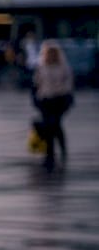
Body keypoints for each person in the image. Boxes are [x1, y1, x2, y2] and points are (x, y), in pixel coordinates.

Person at [33, 41, 74, 171]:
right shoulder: (41, 66)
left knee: (55, 124)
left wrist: (65, 95)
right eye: (48, 53)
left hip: (60, 99)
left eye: (52, 53)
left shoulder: (63, 66)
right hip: (45, 99)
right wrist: (37, 98)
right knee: (48, 127)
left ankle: (62, 149)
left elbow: (68, 83)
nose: (50, 55)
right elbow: (36, 82)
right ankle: (49, 155)